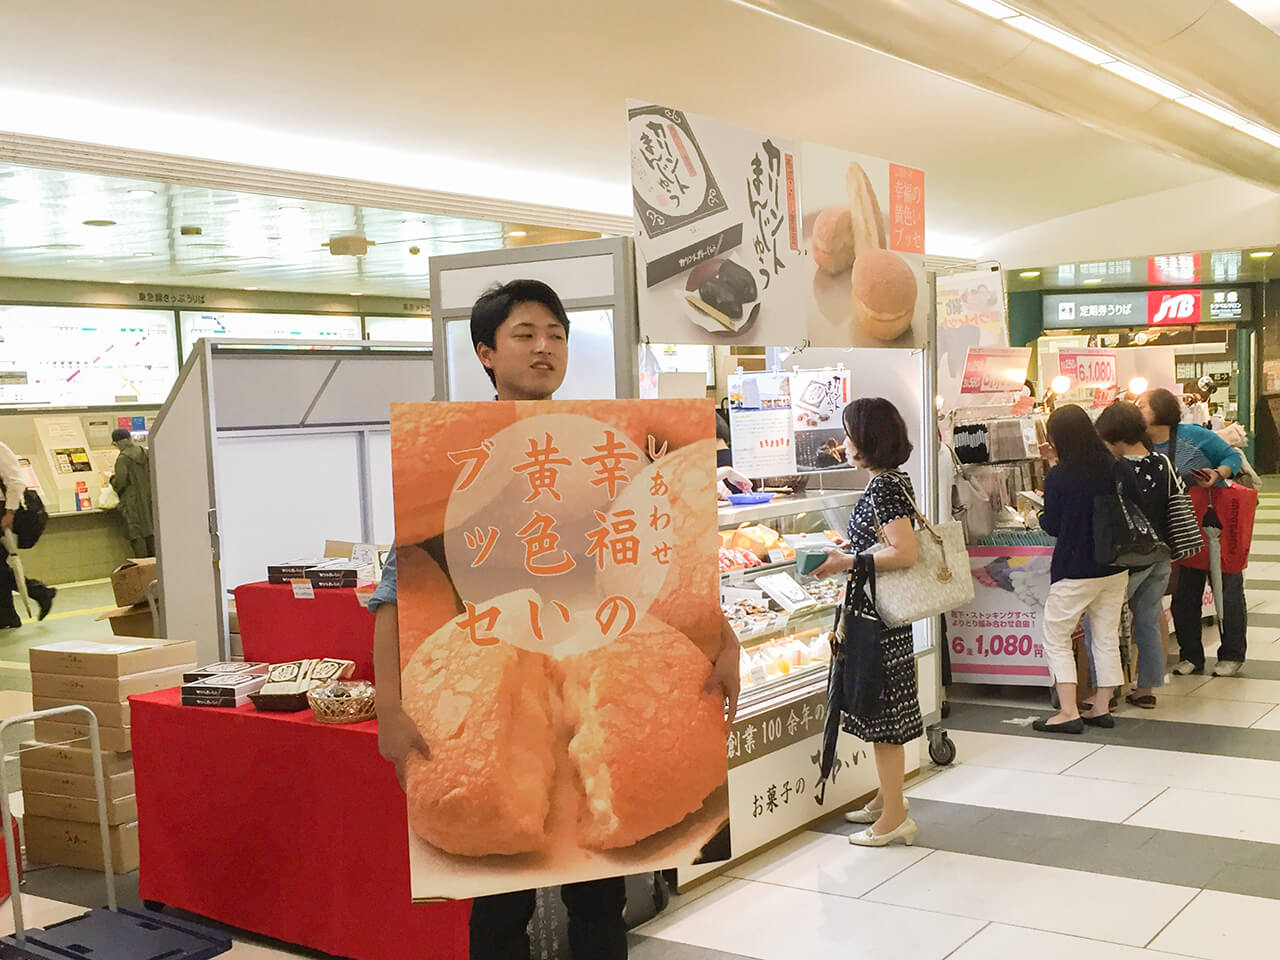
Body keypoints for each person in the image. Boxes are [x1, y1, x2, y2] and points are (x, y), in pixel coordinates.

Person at [369, 279, 741, 960]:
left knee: (600, 897)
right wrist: (389, 708)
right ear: (486, 352)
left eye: (557, 335)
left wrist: (726, 641)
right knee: (498, 903)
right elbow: (395, 592)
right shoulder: (453, 457)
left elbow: (657, 562)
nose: (544, 348)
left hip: (599, 682)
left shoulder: (594, 444)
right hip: (489, 693)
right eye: (524, 334)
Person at [812, 397, 923, 848]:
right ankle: (887, 798)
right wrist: (851, 548)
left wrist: (845, 561)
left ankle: (895, 816)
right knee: (882, 710)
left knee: (883, 714)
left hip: (879, 620)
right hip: (881, 615)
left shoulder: (884, 488)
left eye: (848, 433)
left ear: (866, 439)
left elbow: (905, 552)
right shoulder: (891, 481)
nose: (844, 442)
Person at [1034, 405, 1138, 734]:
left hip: (1074, 568)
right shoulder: (1115, 466)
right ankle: (1101, 705)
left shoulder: (1059, 476)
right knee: (1106, 636)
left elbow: (1052, 525)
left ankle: (1068, 711)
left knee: (1057, 635)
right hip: (1115, 565)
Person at [1139, 387, 1246, 677]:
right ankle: (1191, 656)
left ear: (1160, 410)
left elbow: (1231, 458)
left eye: (1142, 406)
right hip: (1177, 531)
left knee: (1228, 590)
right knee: (1185, 596)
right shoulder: (1141, 443)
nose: (1137, 411)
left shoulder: (1194, 435)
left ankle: (1232, 655)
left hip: (1214, 525)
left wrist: (1218, 474)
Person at [1094, 401, 1178, 709]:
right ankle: (1146, 689)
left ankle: (1107, 690)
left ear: (1113, 437)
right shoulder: (1162, 462)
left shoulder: (1116, 469)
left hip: (1129, 558)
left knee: (1101, 622)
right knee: (1147, 620)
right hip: (1161, 553)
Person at [0, 440, 56, 628]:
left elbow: (15, 481)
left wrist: (10, 512)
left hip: (5, 510)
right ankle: (36, 595)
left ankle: (10, 615)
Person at [109, 428, 154, 557]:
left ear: (117, 443)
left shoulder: (123, 459)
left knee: (136, 535)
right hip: (148, 501)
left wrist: (112, 480)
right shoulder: (146, 453)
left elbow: (121, 482)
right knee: (151, 534)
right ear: (129, 438)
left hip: (132, 504)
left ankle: (142, 571)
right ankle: (154, 571)